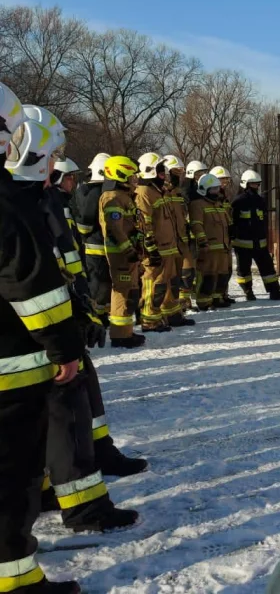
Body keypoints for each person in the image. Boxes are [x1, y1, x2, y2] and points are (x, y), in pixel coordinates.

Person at [7, 110, 138, 539]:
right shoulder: (21, 204)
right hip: (37, 343)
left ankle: (66, 490)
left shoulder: (32, 200)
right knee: (67, 420)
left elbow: (63, 261)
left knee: (66, 421)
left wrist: (80, 310)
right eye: (53, 157)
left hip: (47, 332)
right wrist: (64, 341)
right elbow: (35, 281)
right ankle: (85, 509)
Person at [1, 81, 84, 594]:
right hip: (10, 372)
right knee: (10, 477)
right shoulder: (6, 204)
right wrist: (64, 348)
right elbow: (30, 283)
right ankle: (17, 581)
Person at [49, 157, 147, 476]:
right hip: (49, 327)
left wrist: (83, 311)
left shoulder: (50, 202)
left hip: (69, 307)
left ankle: (100, 452)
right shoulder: (102, 198)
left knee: (86, 390)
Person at [99, 155, 146, 348]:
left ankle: (126, 331)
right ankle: (119, 335)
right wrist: (128, 251)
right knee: (122, 292)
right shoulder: (112, 198)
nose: (135, 181)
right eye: (131, 177)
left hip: (130, 253)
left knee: (131, 292)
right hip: (121, 255)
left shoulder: (125, 197)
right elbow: (115, 229)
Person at [134, 153, 181, 332]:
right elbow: (144, 224)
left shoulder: (159, 191)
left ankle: (171, 313)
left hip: (169, 247)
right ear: (150, 172)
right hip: (156, 249)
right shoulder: (144, 193)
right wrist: (150, 248)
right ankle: (149, 320)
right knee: (154, 284)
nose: (164, 175)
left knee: (170, 283)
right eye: (160, 171)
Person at [231, 170, 280, 301]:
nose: (256, 187)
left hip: (260, 243)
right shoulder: (237, 202)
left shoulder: (260, 200)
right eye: (253, 184)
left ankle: (275, 292)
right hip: (242, 244)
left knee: (268, 269)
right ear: (245, 184)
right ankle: (248, 292)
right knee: (244, 270)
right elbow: (232, 222)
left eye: (257, 184)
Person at [74, 153, 112, 324]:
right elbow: (86, 219)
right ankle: (97, 317)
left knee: (102, 283)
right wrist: (86, 234)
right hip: (95, 245)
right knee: (98, 284)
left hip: (96, 243)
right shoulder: (97, 191)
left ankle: (102, 315)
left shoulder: (88, 189)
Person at [161, 155, 198, 323]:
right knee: (167, 279)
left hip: (181, 240)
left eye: (181, 171)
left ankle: (180, 306)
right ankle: (165, 313)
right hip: (166, 242)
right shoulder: (160, 192)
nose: (179, 175)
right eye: (176, 171)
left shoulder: (178, 192)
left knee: (184, 274)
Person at [188, 173, 232, 310]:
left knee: (223, 275)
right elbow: (196, 224)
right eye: (213, 189)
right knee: (208, 276)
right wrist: (202, 241)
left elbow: (226, 223)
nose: (216, 192)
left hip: (223, 247)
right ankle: (204, 301)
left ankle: (217, 298)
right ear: (204, 189)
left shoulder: (218, 204)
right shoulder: (197, 205)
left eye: (217, 189)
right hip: (209, 248)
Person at [179, 160, 208, 310]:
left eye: (203, 172)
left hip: (195, 235)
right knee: (187, 269)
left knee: (195, 268)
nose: (201, 175)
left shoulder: (198, 189)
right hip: (187, 236)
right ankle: (184, 300)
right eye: (198, 173)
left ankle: (192, 297)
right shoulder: (186, 191)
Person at [209, 166, 237, 305]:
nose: (225, 183)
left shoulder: (224, 197)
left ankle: (223, 294)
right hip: (216, 239)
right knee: (217, 269)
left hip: (226, 238)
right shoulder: (212, 198)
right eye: (222, 180)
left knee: (227, 269)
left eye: (226, 180)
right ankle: (216, 296)